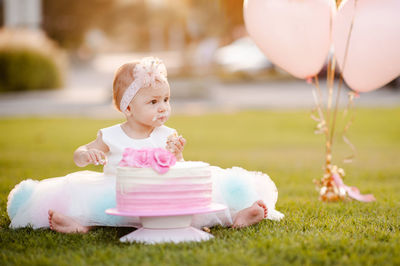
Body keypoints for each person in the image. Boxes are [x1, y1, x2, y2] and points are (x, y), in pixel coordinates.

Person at [7, 57, 283, 234]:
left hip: (163, 192)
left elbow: (181, 170)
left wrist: (176, 154)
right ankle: (81, 225)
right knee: (90, 202)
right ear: (128, 108)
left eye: (166, 99)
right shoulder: (111, 135)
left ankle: (240, 214)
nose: (163, 108)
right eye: (153, 102)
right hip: (119, 192)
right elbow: (79, 155)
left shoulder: (167, 133)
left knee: (207, 193)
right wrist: (86, 154)